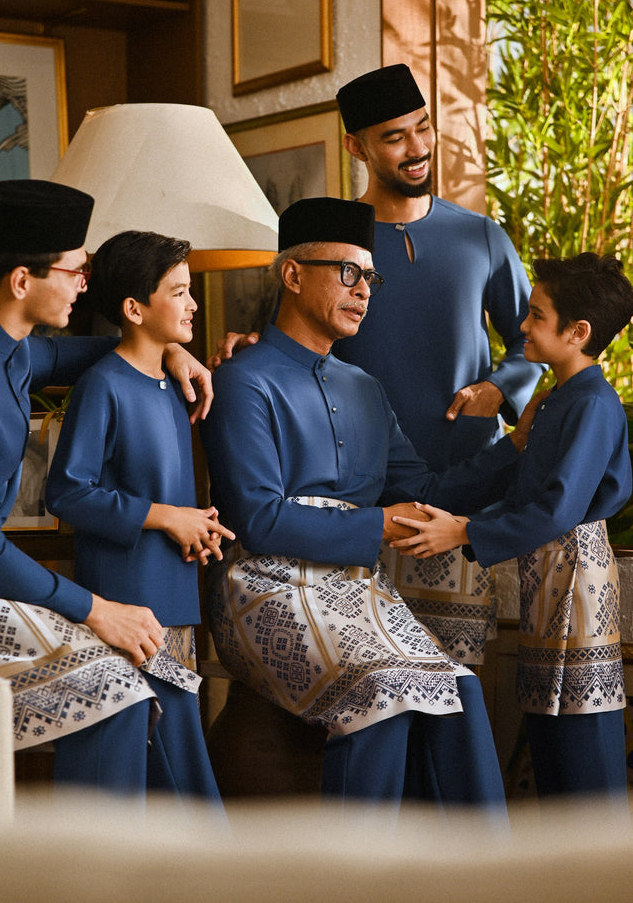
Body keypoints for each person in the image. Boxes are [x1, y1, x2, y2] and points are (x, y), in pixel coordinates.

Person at [201, 195, 533, 814]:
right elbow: (259, 521)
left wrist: (517, 448)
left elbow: (427, 492)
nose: (363, 291)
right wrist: (377, 523)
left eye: (370, 278)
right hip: (262, 585)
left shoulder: (366, 389)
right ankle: (359, 863)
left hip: (357, 589)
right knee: (383, 692)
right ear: (292, 274)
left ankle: (478, 864)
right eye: (347, 272)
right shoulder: (243, 380)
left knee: (460, 691)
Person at [211, 63, 544, 666]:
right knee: (373, 670)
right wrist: (244, 345)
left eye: (423, 128)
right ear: (355, 146)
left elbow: (535, 341)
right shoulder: (334, 246)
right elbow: (289, 338)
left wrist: (502, 388)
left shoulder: (482, 237)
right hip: (353, 502)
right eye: (394, 137)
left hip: (450, 492)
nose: (417, 148)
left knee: (450, 674)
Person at [0, 178, 214, 795]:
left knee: (122, 681)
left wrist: (168, 350)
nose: (85, 285)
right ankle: (88, 854)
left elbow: (83, 355)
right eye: (75, 272)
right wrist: (100, 609)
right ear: (23, 281)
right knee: (114, 685)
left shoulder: (3, 341)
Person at [398, 252, 633, 799]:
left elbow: (558, 510)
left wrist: (464, 532)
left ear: (578, 332)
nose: (522, 326)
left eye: (536, 315)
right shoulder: (556, 400)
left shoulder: (593, 404)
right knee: (551, 729)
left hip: (575, 574)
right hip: (549, 572)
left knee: (580, 739)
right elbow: (526, 490)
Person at [45, 230, 234, 800]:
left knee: (176, 767)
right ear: (134, 309)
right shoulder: (103, 385)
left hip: (175, 593)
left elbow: (161, 490)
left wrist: (195, 525)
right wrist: (169, 517)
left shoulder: (172, 383)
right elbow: (67, 493)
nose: (193, 304)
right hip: (127, 599)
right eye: (178, 291)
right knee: (148, 771)